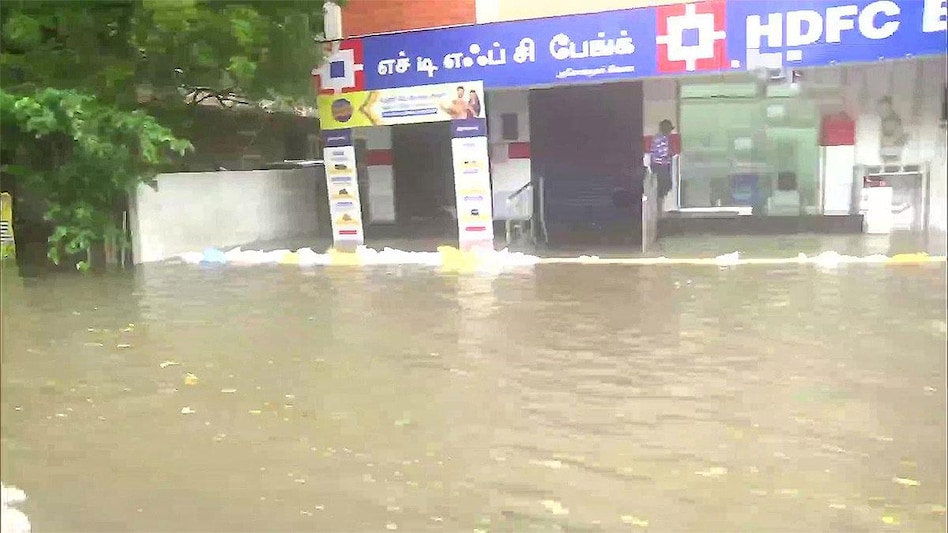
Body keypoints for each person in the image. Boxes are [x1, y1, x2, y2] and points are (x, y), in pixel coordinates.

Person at [650, 119, 675, 209]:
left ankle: (660, 208)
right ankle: (660, 208)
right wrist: (671, 155)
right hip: (661, 166)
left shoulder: (657, 137)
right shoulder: (662, 139)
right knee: (665, 186)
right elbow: (663, 154)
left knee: (662, 187)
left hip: (657, 165)